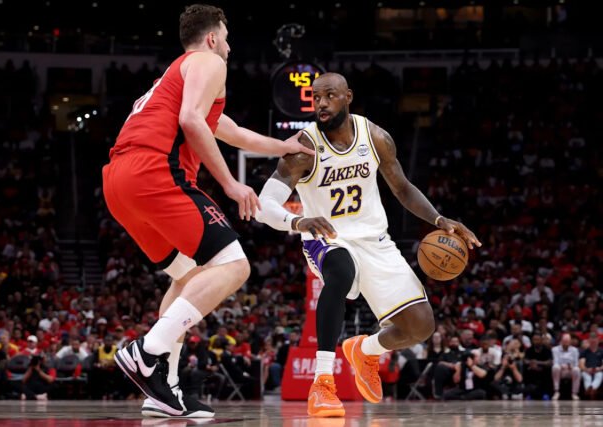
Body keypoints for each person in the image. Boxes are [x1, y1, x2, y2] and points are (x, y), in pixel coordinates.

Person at [103, 4, 313, 419]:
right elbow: (191, 121)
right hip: (153, 172)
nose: (230, 48)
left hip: (119, 182)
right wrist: (232, 185)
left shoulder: (175, 78)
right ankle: (147, 351)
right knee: (235, 266)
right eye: (227, 39)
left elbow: (231, 131)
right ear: (213, 38)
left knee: (188, 276)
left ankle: (164, 389)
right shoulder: (207, 61)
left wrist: (284, 146)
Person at [254, 72, 481, 416]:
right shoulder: (303, 148)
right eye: (316, 98)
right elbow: (264, 205)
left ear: (348, 97)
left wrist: (439, 219)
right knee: (341, 269)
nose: (321, 104)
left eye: (329, 96)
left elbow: (402, 188)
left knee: (421, 326)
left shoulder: (375, 137)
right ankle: (323, 384)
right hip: (325, 238)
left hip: (375, 240)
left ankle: (365, 350)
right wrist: (298, 222)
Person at [523, 332, 553, 399]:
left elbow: (549, 362)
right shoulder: (529, 350)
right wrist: (532, 363)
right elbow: (525, 360)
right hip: (532, 369)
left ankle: (546, 393)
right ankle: (528, 393)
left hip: (543, 369)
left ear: (541, 340)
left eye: (537, 340)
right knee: (526, 369)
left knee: (549, 370)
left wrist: (538, 363)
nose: (536, 342)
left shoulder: (546, 350)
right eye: (534, 340)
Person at [552, 333, 581, 400]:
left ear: (570, 342)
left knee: (577, 369)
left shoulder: (575, 350)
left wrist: (571, 366)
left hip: (570, 370)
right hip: (560, 370)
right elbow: (556, 361)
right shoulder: (555, 349)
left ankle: (574, 393)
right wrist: (563, 366)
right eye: (564, 341)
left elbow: (576, 363)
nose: (566, 343)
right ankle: (556, 391)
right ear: (561, 341)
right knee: (555, 367)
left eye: (567, 342)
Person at [579, 332, 603, 399]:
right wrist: (586, 369)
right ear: (589, 341)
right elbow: (581, 364)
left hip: (598, 370)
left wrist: (599, 369)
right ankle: (590, 389)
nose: (593, 342)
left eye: (594, 341)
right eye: (592, 341)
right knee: (586, 376)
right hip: (587, 370)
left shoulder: (602, 351)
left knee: (600, 375)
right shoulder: (584, 352)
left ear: (598, 340)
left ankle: (592, 388)